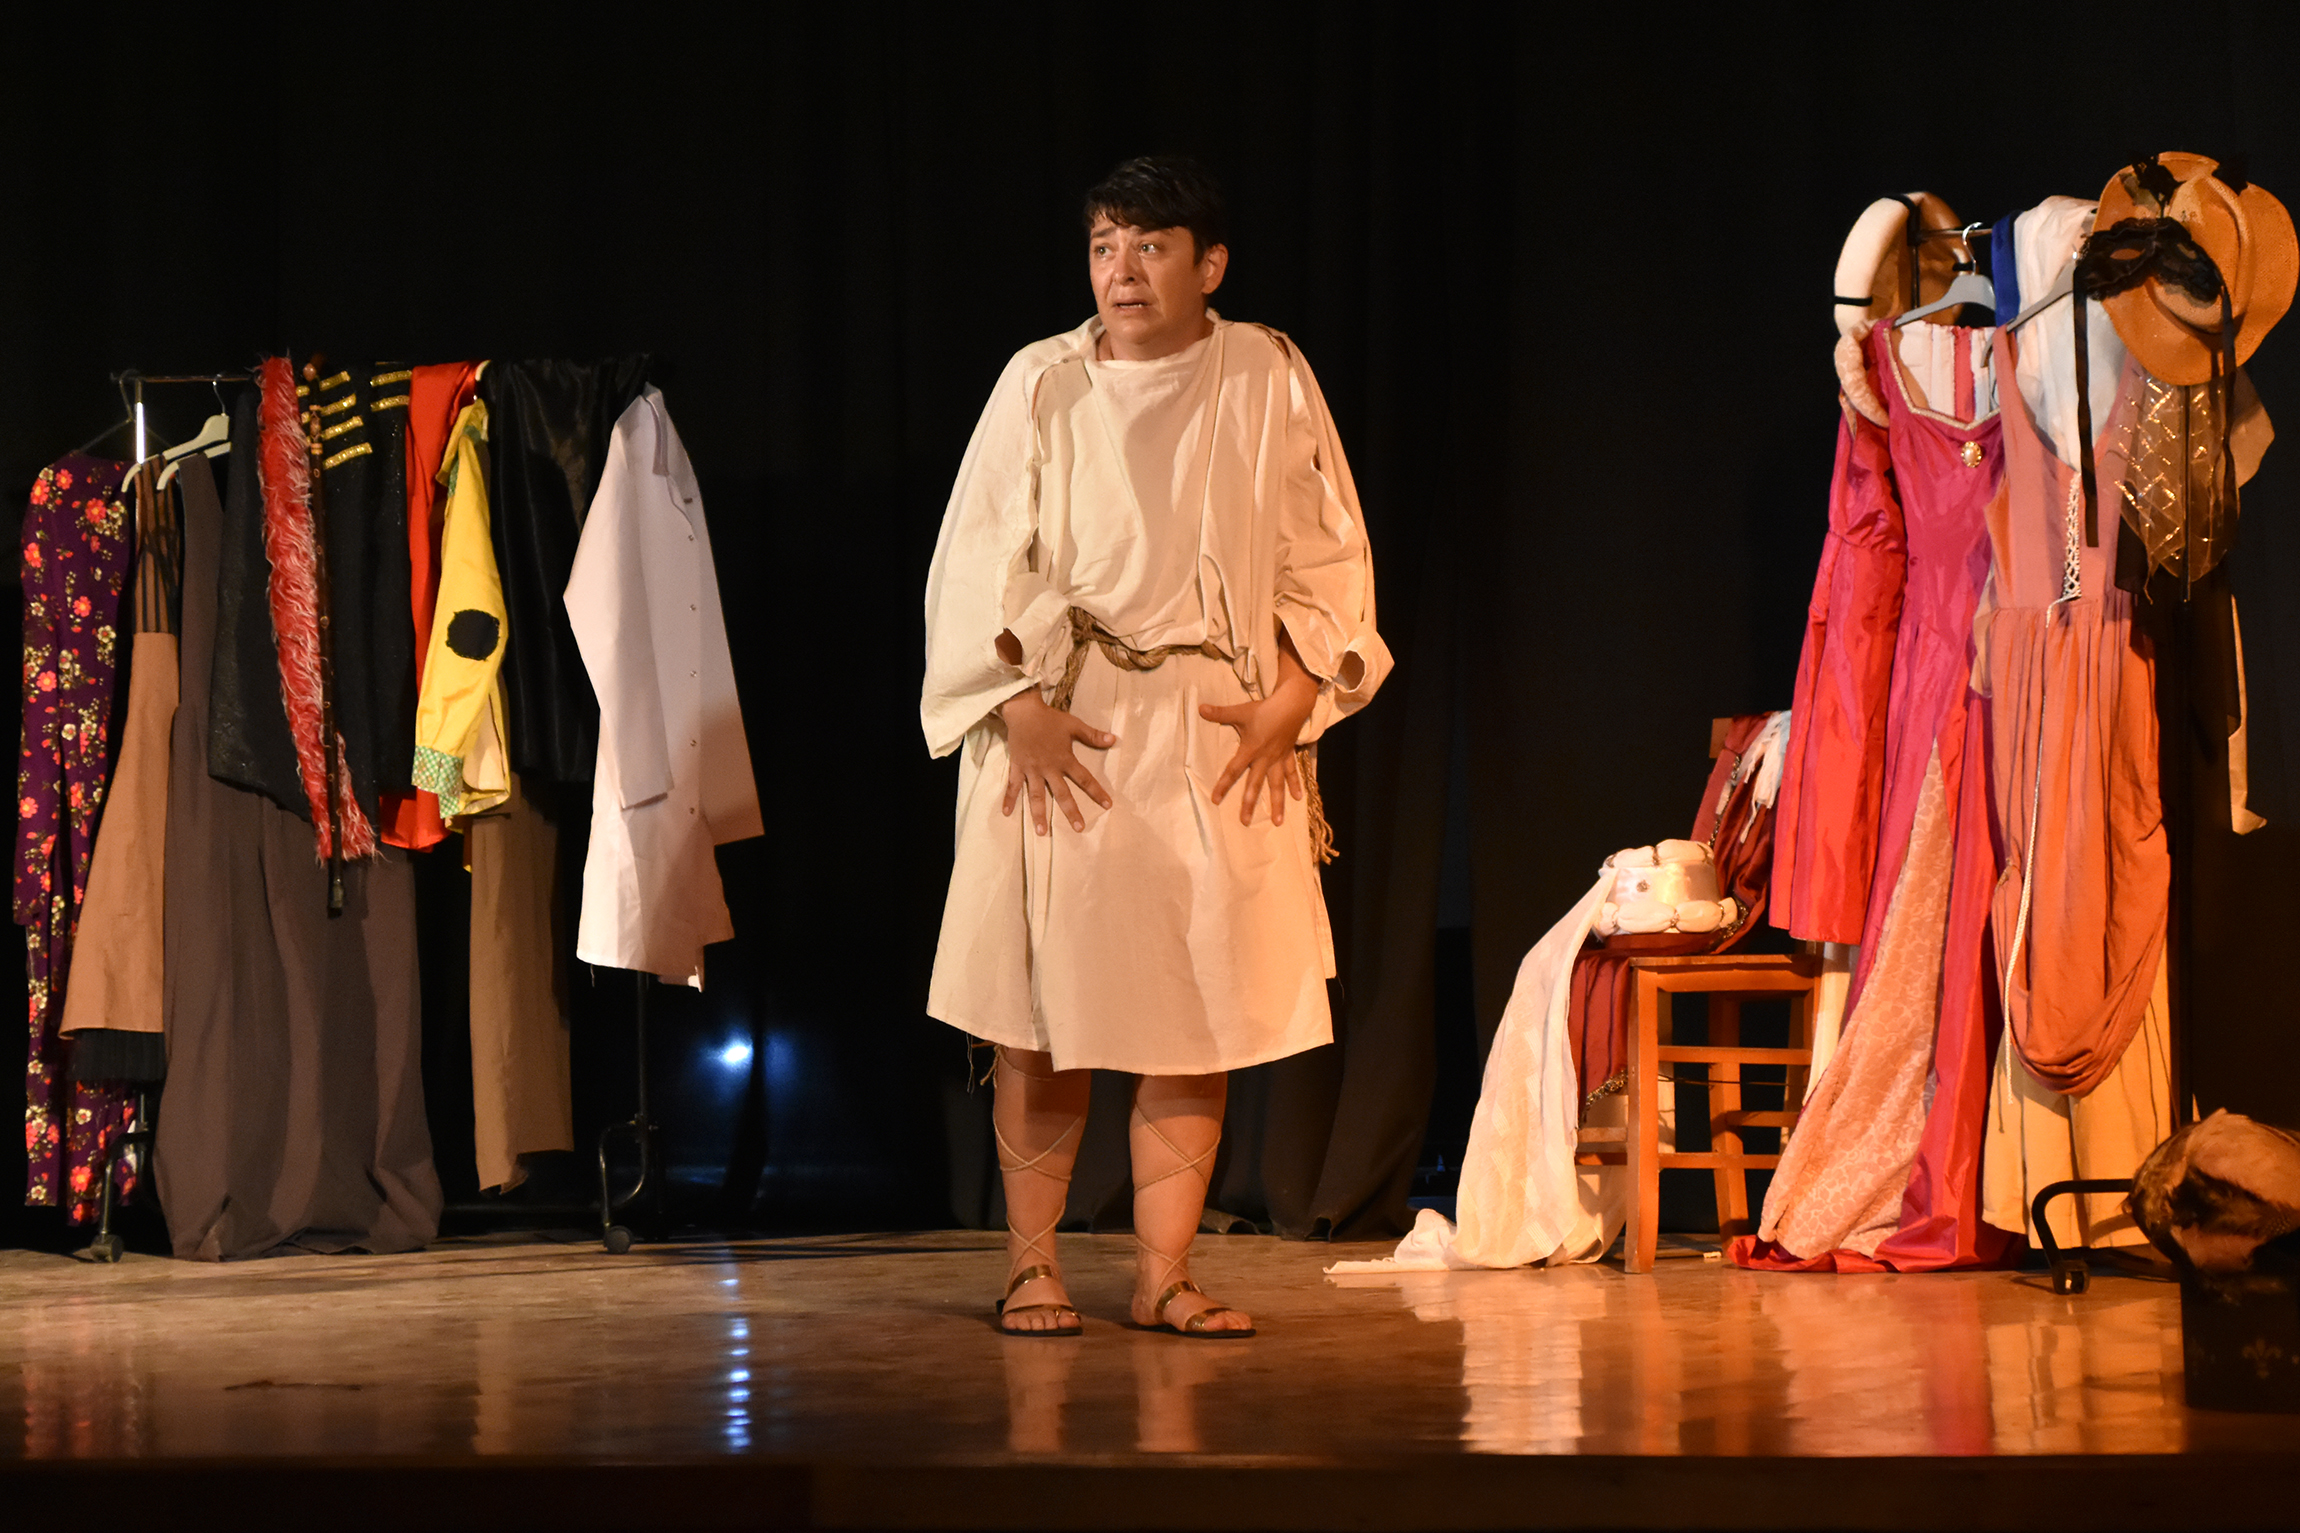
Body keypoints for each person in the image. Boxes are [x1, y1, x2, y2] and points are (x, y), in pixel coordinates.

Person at [921, 156, 1390, 1336]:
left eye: (1148, 246)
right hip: (1062, 720)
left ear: (1207, 264)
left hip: (1215, 721)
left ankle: (1163, 1275)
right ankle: (1031, 1265)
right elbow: (976, 558)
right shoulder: (1041, 380)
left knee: (1195, 1007)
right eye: (1103, 246)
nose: (1120, 271)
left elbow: (1326, 552)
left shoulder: (1265, 371)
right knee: (1042, 1014)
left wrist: (1298, 695)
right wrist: (1016, 703)